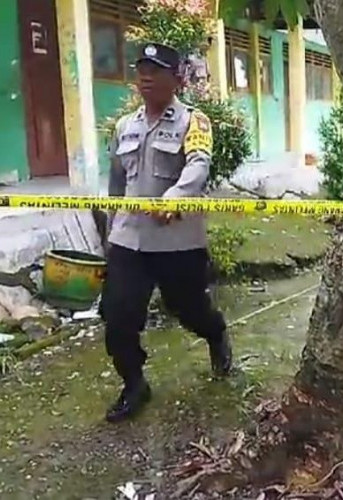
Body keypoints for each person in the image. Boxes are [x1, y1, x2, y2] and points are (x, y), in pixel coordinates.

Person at [102, 43, 233, 423]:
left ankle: (215, 333)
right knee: (118, 314)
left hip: (177, 241)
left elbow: (199, 163)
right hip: (130, 239)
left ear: (177, 79)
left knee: (189, 310)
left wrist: (174, 197)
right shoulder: (125, 126)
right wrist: (110, 230)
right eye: (141, 69)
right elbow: (116, 181)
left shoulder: (195, 121)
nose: (145, 77)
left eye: (156, 71)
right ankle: (134, 383)